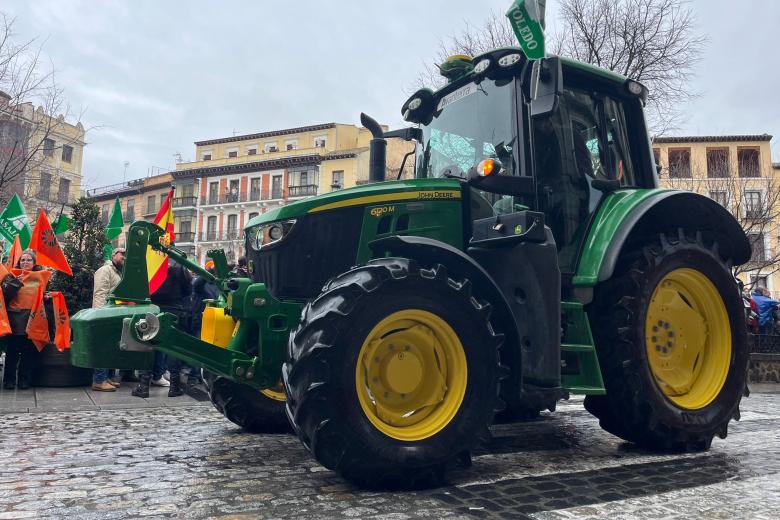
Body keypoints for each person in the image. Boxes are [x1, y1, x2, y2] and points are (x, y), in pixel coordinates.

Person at [132, 260, 192, 398]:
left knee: (148, 345)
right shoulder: (178, 265)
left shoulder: (150, 263)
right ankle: (174, 386)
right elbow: (188, 289)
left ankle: (143, 386)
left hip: (152, 308)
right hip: (174, 309)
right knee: (173, 348)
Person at [2, 250, 45, 390]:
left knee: (28, 351)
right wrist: (16, 282)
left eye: (28, 260)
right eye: (23, 260)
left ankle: (24, 380)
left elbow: (41, 296)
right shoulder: (11, 275)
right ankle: (9, 380)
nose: (25, 262)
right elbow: (4, 294)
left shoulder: (40, 277)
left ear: (34, 263)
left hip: (33, 318)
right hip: (15, 318)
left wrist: (48, 297)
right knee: (13, 351)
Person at [90, 247, 126, 392]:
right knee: (102, 348)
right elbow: (100, 294)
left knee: (110, 347)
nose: (124, 257)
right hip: (104, 315)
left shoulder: (118, 272)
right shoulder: (105, 270)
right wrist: (101, 315)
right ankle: (99, 380)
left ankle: (106, 377)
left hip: (113, 314)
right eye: (122, 254)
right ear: (114, 254)